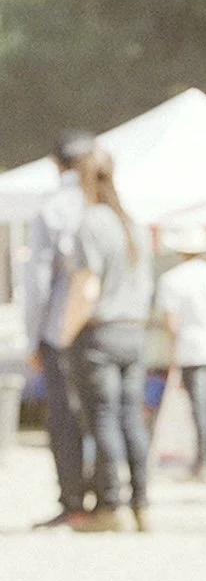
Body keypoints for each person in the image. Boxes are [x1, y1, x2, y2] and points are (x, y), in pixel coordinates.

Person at [67, 149, 155, 532]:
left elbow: (87, 286)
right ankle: (141, 502)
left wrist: (63, 333)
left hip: (100, 331)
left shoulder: (90, 222)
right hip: (134, 330)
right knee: (130, 417)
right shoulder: (133, 223)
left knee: (102, 418)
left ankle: (111, 504)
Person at [22, 130, 95, 527]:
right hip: (106, 326)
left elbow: (38, 281)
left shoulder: (54, 208)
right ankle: (109, 498)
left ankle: (73, 502)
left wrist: (34, 334)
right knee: (102, 415)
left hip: (62, 327)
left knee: (65, 418)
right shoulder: (105, 204)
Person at [156, 227, 206, 476]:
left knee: (200, 407)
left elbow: (172, 323)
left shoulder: (172, 279)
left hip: (190, 348)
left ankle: (205, 461)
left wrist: (171, 357)